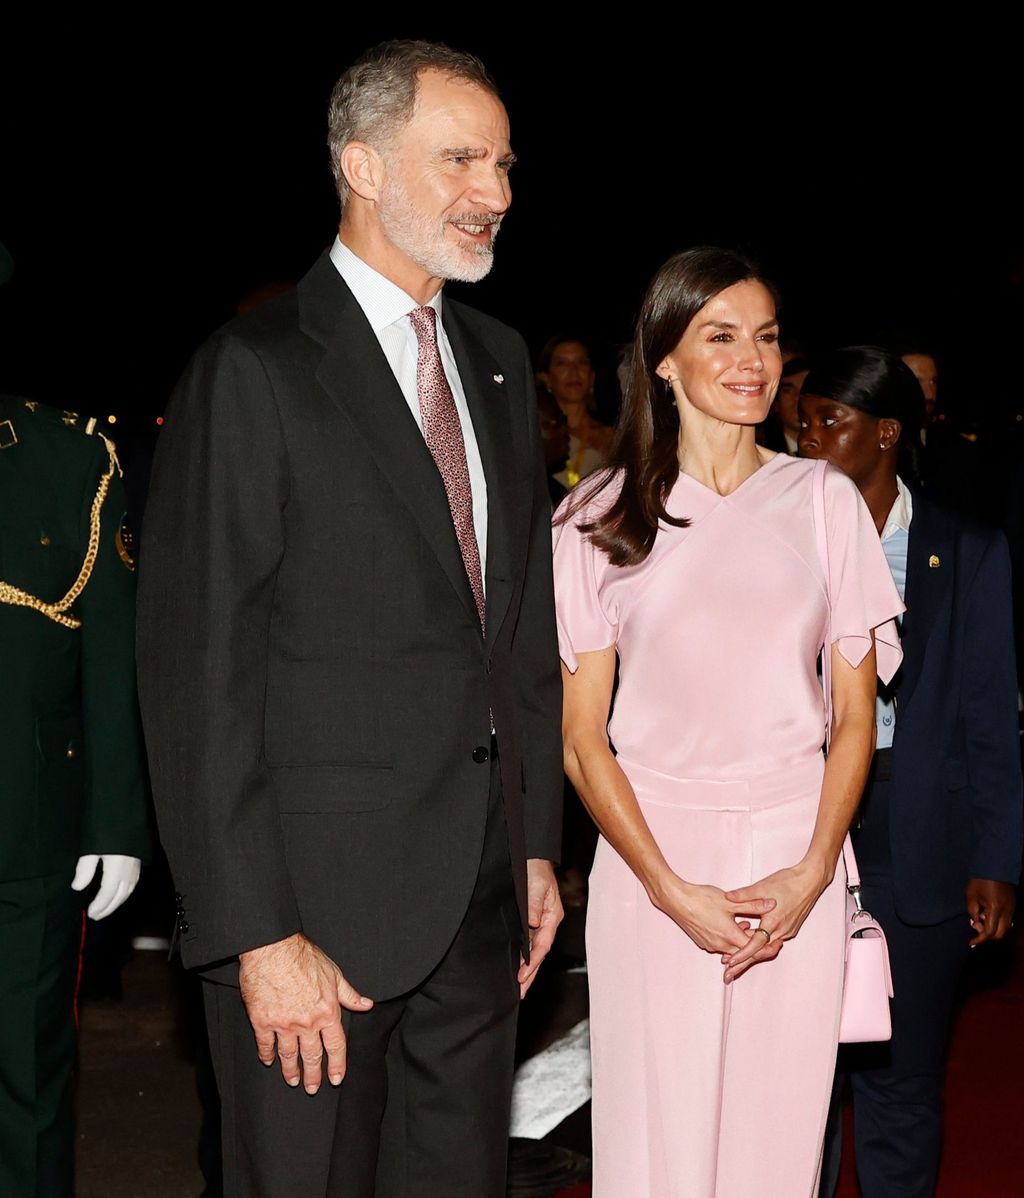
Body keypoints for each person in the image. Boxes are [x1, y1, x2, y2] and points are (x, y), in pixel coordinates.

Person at [135, 40, 563, 1198]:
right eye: (464, 159)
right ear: (362, 167)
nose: (500, 194)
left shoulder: (499, 363)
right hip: (311, 927)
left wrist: (529, 841)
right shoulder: (254, 371)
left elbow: (517, 632)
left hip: (478, 923)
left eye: (507, 163)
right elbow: (195, 679)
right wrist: (255, 935)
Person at [553, 247, 904, 1196]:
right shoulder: (598, 513)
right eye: (721, 336)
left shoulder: (824, 501)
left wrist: (810, 873)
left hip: (797, 854)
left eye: (766, 337)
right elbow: (584, 741)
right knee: (652, 1141)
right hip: (648, 857)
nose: (751, 359)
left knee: (779, 1145)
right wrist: (670, 888)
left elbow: (855, 721)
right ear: (664, 359)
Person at [797, 346, 1022, 1198]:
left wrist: (996, 859)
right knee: (801, 1083)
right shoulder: (779, 538)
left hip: (921, 830)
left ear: (886, 433)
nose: (809, 438)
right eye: (804, 422)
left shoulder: (965, 552)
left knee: (902, 1074)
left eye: (830, 421)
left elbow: (990, 715)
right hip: (802, 827)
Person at [0, 383, 149, 1196]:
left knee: (25, 1080)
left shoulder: (64, 452)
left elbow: (111, 646)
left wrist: (116, 820)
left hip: (26, 825)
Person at [537, 336, 613, 487]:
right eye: (562, 364)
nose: (573, 371)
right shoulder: (541, 438)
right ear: (547, 378)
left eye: (581, 362)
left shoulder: (614, 437)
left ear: (592, 377)